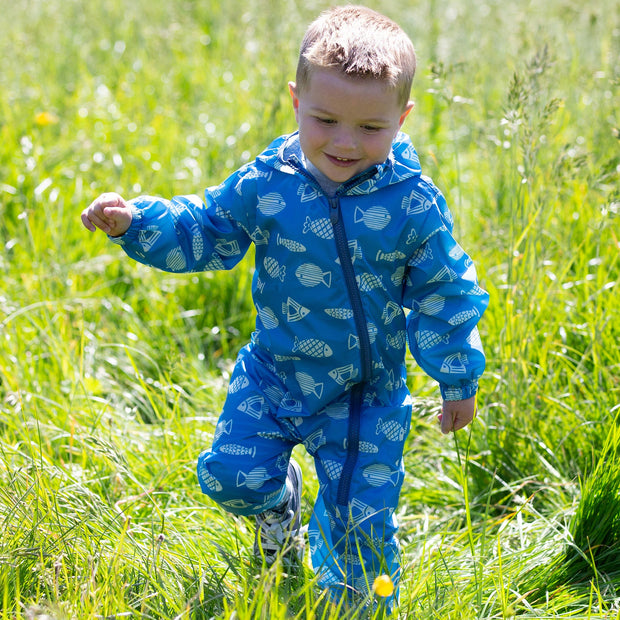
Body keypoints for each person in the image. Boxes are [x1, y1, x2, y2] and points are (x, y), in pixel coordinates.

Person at [81, 4, 488, 613]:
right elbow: (209, 226)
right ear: (295, 100)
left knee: (361, 533)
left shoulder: (413, 205)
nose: (346, 143)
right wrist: (137, 222)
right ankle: (280, 510)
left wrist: (457, 377)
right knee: (230, 476)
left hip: (364, 394)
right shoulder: (269, 181)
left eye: (371, 129)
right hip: (274, 372)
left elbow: (444, 291)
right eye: (325, 119)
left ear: (402, 120)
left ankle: (347, 606)